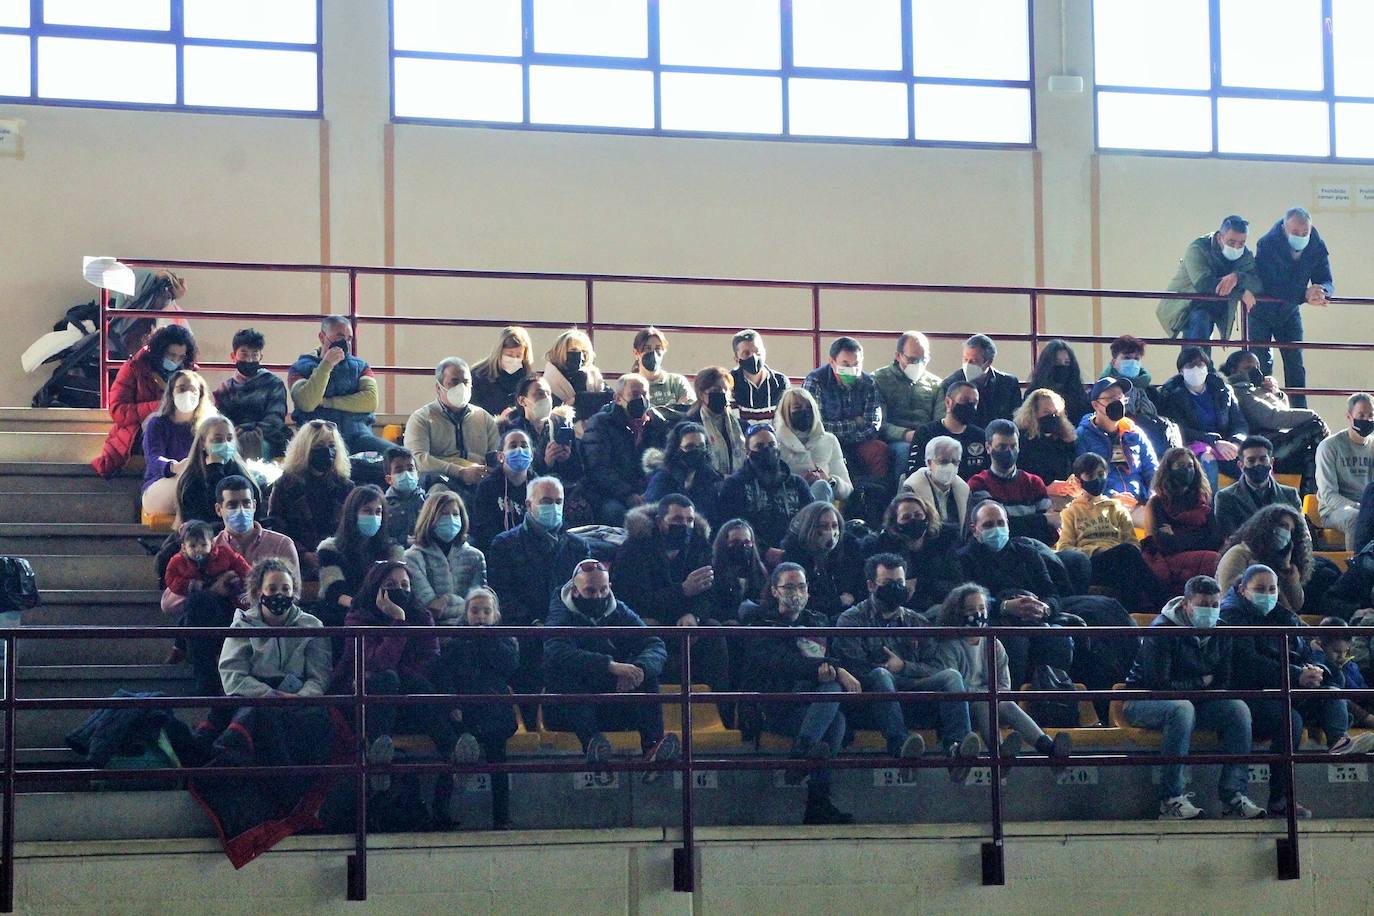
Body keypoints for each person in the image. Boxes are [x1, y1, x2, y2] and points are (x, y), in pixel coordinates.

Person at [1122, 575, 1261, 819]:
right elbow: (1158, 684)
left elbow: (1223, 681)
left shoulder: (1223, 631)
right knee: (1182, 709)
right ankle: (1171, 798)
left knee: (1238, 708)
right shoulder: (1162, 630)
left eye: (1214, 605)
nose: (1210, 610)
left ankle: (1234, 795)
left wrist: (1200, 686)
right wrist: (1200, 683)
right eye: (1203, 604)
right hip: (1142, 701)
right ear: (1186, 605)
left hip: (1195, 702)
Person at [332, 561, 477, 792]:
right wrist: (398, 620)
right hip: (365, 704)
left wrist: (402, 675)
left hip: (409, 700)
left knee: (410, 681)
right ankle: (379, 758)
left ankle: (456, 756)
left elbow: (430, 660)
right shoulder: (358, 618)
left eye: (405, 585)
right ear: (376, 588)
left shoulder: (421, 616)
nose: (399, 590)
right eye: (390, 585)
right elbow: (376, 664)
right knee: (386, 678)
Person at [834, 553, 981, 777]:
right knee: (881, 674)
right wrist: (888, 671)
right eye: (888, 584)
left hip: (913, 691)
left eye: (900, 584)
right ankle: (901, 747)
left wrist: (903, 667)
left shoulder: (917, 622)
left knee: (951, 675)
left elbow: (935, 666)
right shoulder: (851, 620)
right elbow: (856, 668)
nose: (896, 589)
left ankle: (957, 749)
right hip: (871, 701)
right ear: (871, 585)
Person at [1221, 563, 1350, 818]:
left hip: (1284, 688)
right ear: (1242, 589)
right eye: (1260, 589)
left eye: (1272, 588)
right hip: (1248, 695)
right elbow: (1248, 664)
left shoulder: (1281, 615)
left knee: (1331, 691)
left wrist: (1314, 670)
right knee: (1291, 719)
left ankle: (1339, 743)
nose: (1267, 594)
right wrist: (1296, 675)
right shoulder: (1232, 616)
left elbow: (1305, 648)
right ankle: (1280, 800)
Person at [737, 563, 854, 825]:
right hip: (772, 705)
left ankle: (801, 759)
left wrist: (833, 667)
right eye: (789, 587)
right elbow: (781, 662)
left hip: (810, 706)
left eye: (801, 586)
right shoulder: (759, 623)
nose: (796, 592)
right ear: (775, 591)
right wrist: (834, 670)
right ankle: (816, 799)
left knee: (837, 719)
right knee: (834, 704)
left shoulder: (817, 621)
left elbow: (830, 655)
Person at [543, 559, 681, 775]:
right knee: (565, 673)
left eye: (603, 590)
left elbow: (654, 643)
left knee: (647, 676)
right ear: (575, 591)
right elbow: (556, 651)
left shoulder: (620, 611)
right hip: (570, 710)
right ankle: (592, 745)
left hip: (613, 700)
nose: (598, 596)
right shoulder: (560, 613)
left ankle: (652, 748)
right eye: (590, 591)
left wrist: (638, 670)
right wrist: (609, 665)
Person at [932, 584, 1072, 765]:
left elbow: (1004, 684)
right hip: (964, 708)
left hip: (993, 702)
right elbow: (954, 687)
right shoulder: (949, 646)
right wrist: (984, 694)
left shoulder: (994, 643)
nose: (978, 614)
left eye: (982, 608)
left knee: (1006, 703)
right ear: (958, 612)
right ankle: (999, 753)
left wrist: (993, 695)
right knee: (984, 702)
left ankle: (1048, 747)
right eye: (971, 610)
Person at [486, 477, 592, 707]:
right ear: (528, 504)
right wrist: (532, 622)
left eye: (558, 501)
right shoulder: (504, 544)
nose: (553, 507)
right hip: (524, 632)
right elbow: (501, 594)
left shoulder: (578, 546)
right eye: (546, 501)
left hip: (567, 631)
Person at [429, 588, 520, 829]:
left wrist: (486, 640)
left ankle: (502, 817)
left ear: (495, 615)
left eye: (486, 611)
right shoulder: (455, 642)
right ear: (466, 613)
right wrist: (452, 703)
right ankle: (440, 812)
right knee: (452, 756)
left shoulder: (505, 641)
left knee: (498, 764)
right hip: (464, 710)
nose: (480, 616)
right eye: (475, 611)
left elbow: (508, 668)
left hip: (494, 711)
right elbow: (444, 675)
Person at [959, 501, 1076, 688]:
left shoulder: (1028, 554)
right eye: (988, 525)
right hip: (994, 622)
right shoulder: (963, 559)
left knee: (1059, 640)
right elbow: (964, 600)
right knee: (1013, 643)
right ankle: (1008, 705)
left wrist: (1044, 608)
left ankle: (1052, 706)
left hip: (1035, 620)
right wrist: (1005, 607)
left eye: (1000, 523)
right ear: (974, 530)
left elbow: (1052, 594)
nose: (996, 529)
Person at [162, 519, 251, 735]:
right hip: (197, 606)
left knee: (195, 615)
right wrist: (198, 586)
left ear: (213, 544)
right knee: (194, 607)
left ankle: (184, 650)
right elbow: (171, 580)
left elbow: (244, 568)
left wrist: (240, 584)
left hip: (226, 606)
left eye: (203, 545)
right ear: (184, 548)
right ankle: (205, 676)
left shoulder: (224, 555)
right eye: (192, 546)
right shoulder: (178, 562)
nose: (198, 550)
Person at [1057, 453, 1165, 611]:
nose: (1097, 479)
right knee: (1126, 555)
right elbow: (1065, 548)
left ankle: (1132, 613)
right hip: (1091, 564)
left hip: (1120, 559)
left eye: (1101, 474)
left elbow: (1133, 543)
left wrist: (1116, 552)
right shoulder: (1070, 512)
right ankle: (1162, 602)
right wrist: (1097, 550)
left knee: (1128, 560)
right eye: (1091, 475)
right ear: (1080, 480)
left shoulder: (1117, 508)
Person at [92, 324, 197, 478]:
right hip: (137, 435)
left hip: (178, 431)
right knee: (155, 421)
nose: (175, 361)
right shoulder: (134, 368)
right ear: (159, 352)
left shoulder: (188, 374)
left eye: (181, 357)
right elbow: (118, 411)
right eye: (171, 355)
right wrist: (158, 406)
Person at [1253, 207, 1333, 407]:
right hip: (1260, 311)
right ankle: (1262, 414)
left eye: (1304, 233)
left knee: (1296, 365)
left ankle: (1301, 417)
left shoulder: (1316, 244)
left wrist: (1322, 291)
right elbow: (1272, 284)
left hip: (1289, 312)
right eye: (1295, 233)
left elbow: (1326, 278)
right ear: (1283, 229)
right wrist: (1304, 295)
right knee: (1260, 365)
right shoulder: (1267, 244)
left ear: (1310, 228)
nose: (1301, 237)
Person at [218, 557, 330, 700]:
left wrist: (300, 697)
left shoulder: (313, 626)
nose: (279, 594)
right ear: (259, 592)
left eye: (285, 589)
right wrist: (269, 695)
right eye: (272, 589)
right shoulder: (242, 625)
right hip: (254, 700)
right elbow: (233, 674)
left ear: (293, 592)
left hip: (300, 701)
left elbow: (320, 676)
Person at [1220, 350, 1328, 490]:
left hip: (1278, 439)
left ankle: (1309, 500)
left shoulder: (1256, 389)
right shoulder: (1239, 392)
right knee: (1315, 427)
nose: (1255, 371)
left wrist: (1276, 394)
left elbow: (1284, 413)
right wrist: (1313, 415)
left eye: (1257, 367)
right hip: (1264, 443)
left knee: (1309, 456)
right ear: (1233, 370)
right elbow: (1274, 417)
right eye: (1248, 368)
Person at [288, 316, 391, 455]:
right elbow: (307, 402)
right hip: (319, 439)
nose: (345, 343)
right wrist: (326, 365)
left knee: (397, 454)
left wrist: (327, 402)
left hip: (358, 436)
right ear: (322, 337)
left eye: (349, 339)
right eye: (340, 337)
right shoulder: (299, 368)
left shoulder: (361, 367)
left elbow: (371, 401)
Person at [267, 420, 353, 579]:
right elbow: (276, 526)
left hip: (337, 558)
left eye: (331, 446)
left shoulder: (345, 487)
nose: (327, 452)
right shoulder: (284, 486)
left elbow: (350, 527)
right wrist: (303, 554)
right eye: (319, 447)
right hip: (295, 560)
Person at [1156, 214, 1262, 344]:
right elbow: (1204, 284)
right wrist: (1240, 293)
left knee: (1201, 336)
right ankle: (1196, 363)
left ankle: (1199, 362)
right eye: (1231, 242)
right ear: (1219, 238)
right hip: (1189, 304)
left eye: (1241, 243)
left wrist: (1238, 277)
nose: (1236, 248)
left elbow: (1258, 283)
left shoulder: (1244, 256)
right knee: (1199, 326)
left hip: (1216, 306)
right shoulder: (1198, 248)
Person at [580, 374, 671, 525]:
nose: (641, 400)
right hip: (610, 494)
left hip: (649, 491)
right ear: (618, 398)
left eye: (644, 394)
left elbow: (665, 463)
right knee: (616, 513)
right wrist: (628, 494)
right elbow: (599, 468)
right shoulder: (601, 423)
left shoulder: (657, 425)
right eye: (635, 395)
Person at [613, 494, 717, 624]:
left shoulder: (700, 546)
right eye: (677, 519)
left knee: (713, 627)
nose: (685, 525)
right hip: (645, 618)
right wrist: (682, 590)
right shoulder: (635, 548)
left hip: (685, 618)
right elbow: (634, 598)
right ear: (659, 521)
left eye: (690, 520)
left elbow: (710, 593)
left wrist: (695, 615)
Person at [1156, 347, 1249, 492]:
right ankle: (1209, 506)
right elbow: (1179, 430)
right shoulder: (1172, 396)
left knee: (1252, 459)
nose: (1196, 369)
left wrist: (1236, 443)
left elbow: (1239, 423)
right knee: (1207, 458)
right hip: (1194, 447)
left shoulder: (1223, 390)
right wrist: (1214, 442)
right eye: (1190, 365)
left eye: (1200, 364)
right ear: (1181, 371)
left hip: (1226, 445)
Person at [403, 357, 500, 491]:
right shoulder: (421, 418)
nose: (461, 387)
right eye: (454, 382)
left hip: (479, 482)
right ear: (438, 387)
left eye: (466, 382)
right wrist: (460, 472)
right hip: (441, 482)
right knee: (439, 491)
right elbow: (418, 460)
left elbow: (495, 456)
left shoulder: (484, 418)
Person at [317, 484, 405, 629]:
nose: (374, 517)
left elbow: (398, 588)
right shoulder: (330, 549)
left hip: (386, 614)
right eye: (367, 511)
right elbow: (334, 591)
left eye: (378, 512)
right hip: (344, 615)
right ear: (353, 514)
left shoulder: (394, 550)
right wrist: (363, 609)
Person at [717, 424, 813, 557]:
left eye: (771, 444)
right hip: (750, 555)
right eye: (759, 446)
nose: (767, 450)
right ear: (748, 452)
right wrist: (764, 551)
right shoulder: (734, 485)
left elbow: (811, 520)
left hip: (794, 553)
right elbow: (730, 526)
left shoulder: (797, 484)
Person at [802, 337, 888, 479]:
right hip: (826, 441)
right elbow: (815, 426)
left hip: (859, 442)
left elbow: (873, 425)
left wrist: (849, 437)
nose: (851, 370)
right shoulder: (816, 381)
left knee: (878, 449)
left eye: (856, 364)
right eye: (845, 364)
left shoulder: (868, 383)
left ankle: (876, 496)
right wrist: (855, 423)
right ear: (832, 362)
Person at [861, 494, 963, 612]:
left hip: (937, 606)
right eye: (906, 517)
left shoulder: (945, 542)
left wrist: (919, 584)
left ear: (927, 517)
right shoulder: (881, 546)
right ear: (895, 523)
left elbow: (956, 584)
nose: (914, 520)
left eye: (918, 515)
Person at [1141, 448, 1222, 597]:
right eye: (1180, 466)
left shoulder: (1205, 501)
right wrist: (1198, 535)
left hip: (1201, 553)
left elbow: (1215, 537)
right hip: (1168, 559)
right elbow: (1164, 544)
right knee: (1214, 560)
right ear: (1169, 470)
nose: (1187, 470)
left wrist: (1176, 536)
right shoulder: (1157, 503)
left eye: (1190, 466)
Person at [404, 489, 487, 625]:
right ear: (430, 518)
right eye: (444, 514)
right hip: (430, 633)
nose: (451, 519)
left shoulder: (476, 557)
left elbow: (479, 606)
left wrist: (446, 600)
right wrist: (464, 607)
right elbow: (430, 608)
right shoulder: (412, 558)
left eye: (455, 514)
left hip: (469, 633)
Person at [967, 419, 1055, 546]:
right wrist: (1042, 520)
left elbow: (1050, 530)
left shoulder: (1034, 482)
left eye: (1013, 446)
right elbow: (993, 527)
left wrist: (1040, 522)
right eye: (1002, 447)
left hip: (1035, 549)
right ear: (988, 447)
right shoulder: (979, 483)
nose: (1009, 451)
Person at [141, 370, 216, 517]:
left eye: (193, 390)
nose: (187, 393)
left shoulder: (208, 426)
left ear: (200, 395)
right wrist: (175, 467)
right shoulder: (157, 423)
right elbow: (153, 459)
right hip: (160, 484)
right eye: (181, 388)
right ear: (171, 393)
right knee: (190, 484)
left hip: (198, 480)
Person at [1076, 377, 1158, 510]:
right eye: (1111, 399)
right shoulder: (1083, 436)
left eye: (1121, 398)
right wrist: (1110, 497)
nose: (1118, 403)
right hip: (1104, 506)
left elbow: (1152, 469)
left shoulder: (1135, 433)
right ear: (1096, 405)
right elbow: (1084, 479)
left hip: (1140, 502)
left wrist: (1153, 496)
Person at [1216, 504, 1313, 614]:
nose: (1286, 534)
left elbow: (1296, 605)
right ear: (1266, 526)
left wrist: (1287, 573)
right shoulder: (1238, 554)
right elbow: (1228, 597)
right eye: (1283, 526)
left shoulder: (1284, 561)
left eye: (1291, 531)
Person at [780, 501, 867, 623]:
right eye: (823, 526)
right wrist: (837, 602)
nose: (831, 532)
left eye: (834, 526)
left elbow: (863, 587)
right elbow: (800, 599)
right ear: (809, 527)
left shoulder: (851, 551)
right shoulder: (793, 556)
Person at [212, 327, 289, 460]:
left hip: (268, 439)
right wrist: (234, 434)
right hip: (232, 438)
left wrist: (249, 432)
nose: (249, 360)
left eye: (254, 355)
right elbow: (222, 420)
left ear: (261, 357)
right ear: (233, 356)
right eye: (244, 354)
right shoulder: (225, 388)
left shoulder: (273, 384)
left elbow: (275, 420)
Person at [173, 414, 261, 529]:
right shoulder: (191, 480)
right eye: (218, 439)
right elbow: (200, 518)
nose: (226, 444)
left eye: (229, 439)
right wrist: (215, 467)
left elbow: (256, 511)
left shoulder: (241, 472)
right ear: (203, 443)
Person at [873, 330, 944, 472]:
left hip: (927, 438)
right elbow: (878, 423)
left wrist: (926, 435)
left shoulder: (936, 384)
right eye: (912, 360)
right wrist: (905, 434)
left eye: (923, 360)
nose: (918, 364)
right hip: (895, 441)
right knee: (906, 451)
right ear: (898, 356)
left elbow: (940, 420)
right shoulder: (878, 379)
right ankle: (902, 492)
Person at [1214, 436, 1302, 540]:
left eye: (1263, 459)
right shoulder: (1225, 497)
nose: (1258, 464)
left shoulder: (1290, 494)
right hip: (1243, 554)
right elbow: (1231, 538)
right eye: (1251, 460)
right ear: (1241, 465)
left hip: (1285, 553)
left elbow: (1300, 534)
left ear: (1271, 463)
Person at [1304, 619, 1374, 750]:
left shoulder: (1350, 666)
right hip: (1333, 713)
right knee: (1334, 693)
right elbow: (1331, 686)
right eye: (1336, 651)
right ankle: (1340, 743)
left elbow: (1363, 692)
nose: (1341, 656)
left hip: (1358, 709)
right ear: (1321, 645)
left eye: (1345, 651)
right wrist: (1318, 654)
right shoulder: (1315, 663)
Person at [1098, 334, 1171, 458]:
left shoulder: (1151, 392)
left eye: (1136, 358)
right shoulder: (1103, 391)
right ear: (1114, 362)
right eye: (1126, 357)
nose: (1132, 362)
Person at [1316, 393, 1374, 549]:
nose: (1367, 420)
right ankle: (1356, 569)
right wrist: (1362, 509)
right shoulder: (1329, 446)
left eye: (1371, 415)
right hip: (1335, 511)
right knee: (1355, 519)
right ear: (1349, 416)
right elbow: (1329, 495)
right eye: (1361, 415)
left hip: (1369, 507)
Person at [774, 387, 852, 503]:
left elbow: (847, 490)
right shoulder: (775, 444)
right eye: (797, 408)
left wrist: (830, 480)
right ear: (786, 413)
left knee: (821, 486)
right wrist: (800, 483)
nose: (804, 412)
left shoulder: (829, 440)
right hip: (789, 502)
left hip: (824, 505)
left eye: (809, 408)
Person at [642, 422, 724, 526]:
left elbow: (714, 517)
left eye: (701, 446)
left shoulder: (710, 479)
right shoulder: (662, 479)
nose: (697, 451)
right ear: (676, 449)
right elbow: (651, 517)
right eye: (690, 447)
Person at [506, 375, 583, 482]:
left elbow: (578, 473)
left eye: (549, 394)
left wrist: (566, 459)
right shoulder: (512, 431)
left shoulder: (563, 425)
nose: (546, 398)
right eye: (540, 393)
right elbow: (513, 474)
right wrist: (545, 463)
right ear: (522, 401)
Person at [906, 381, 988, 481]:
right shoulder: (926, 433)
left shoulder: (980, 436)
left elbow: (985, 474)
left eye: (974, 403)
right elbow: (914, 472)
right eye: (964, 400)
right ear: (948, 402)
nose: (970, 406)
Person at [939, 334, 1022, 428]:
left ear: (989, 362)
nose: (968, 364)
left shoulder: (1008, 384)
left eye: (974, 361)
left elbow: (1016, 419)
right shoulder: (951, 383)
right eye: (965, 359)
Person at [470, 429, 533, 550]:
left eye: (524, 445)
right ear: (500, 456)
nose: (519, 449)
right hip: (498, 551)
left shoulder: (539, 487)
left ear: (532, 455)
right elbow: (482, 530)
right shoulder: (487, 487)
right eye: (513, 446)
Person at [685, 366, 745, 477]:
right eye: (716, 390)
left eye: (726, 390)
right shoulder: (690, 427)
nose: (722, 394)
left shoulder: (742, 427)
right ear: (702, 394)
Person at [900, 436, 970, 531]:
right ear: (929, 463)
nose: (950, 466)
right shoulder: (911, 489)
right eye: (943, 461)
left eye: (954, 462)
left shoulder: (964, 490)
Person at [542, 329, 610, 421]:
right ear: (560, 351)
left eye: (583, 351)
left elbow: (611, 398)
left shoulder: (593, 376)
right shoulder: (548, 382)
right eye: (574, 350)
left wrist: (580, 399)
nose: (580, 355)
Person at [1014, 389, 1077, 486]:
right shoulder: (1022, 441)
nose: (1052, 417)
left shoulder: (1065, 440)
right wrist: (1046, 488)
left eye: (1056, 413)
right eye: (1046, 413)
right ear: (1033, 413)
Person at [709, 518, 768, 622]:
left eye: (747, 542)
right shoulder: (712, 574)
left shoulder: (761, 573)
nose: (742, 546)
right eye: (735, 542)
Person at [470, 325, 534, 419]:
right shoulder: (478, 376)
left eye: (518, 356)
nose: (513, 359)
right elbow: (472, 412)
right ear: (499, 353)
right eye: (509, 355)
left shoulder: (527, 379)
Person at [729, 329, 790, 426]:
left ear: (764, 352)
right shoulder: (729, 383)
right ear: (736, 359)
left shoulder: (780, 382)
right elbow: (733, 425)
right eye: (746, 353)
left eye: (757, 352)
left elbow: (784, 423)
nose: (753, 357)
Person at [1025, 340, 1091, 431]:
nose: (1062, 367)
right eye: (1057, 362)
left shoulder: (1079, 396)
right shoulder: (1033, 394)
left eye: (1067, 363)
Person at [631, 326, 693, 409]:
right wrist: (674, 410)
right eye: (647, 348)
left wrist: (653, 414)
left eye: (658, 348)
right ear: (636, 353)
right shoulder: (631, 386)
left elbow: (689, 410)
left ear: (664, 351)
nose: (653, 353)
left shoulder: (677, 382)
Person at [382, 446, 425, 547]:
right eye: (399, 470)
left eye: (410, 469)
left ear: (417, 474)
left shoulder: (428, 501)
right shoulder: (383, 506)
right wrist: (404, 541)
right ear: (389, 479)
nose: (406, 473)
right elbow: (381, 538)